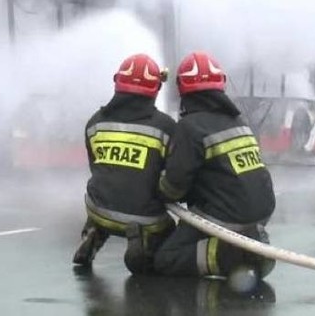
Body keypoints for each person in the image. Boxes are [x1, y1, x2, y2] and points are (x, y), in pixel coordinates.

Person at [154, 51, 276, 287]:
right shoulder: (239, 124)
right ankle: (247, 242)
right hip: (262, 213)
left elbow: (174, 186)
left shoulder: (190, 127)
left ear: (183, 88)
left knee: (167, 258)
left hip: (224, 218)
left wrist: (158, 189)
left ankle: (235, 256)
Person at [72, 53, 177, 274]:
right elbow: (172, 174)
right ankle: (142, 248)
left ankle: (93, 231)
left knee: (107, 191)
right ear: (155, 89)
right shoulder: (166, 127)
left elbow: (97, 168)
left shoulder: (95, 122)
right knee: (169, 232)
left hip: (98, 209)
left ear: (117, 83)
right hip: (144, 219)